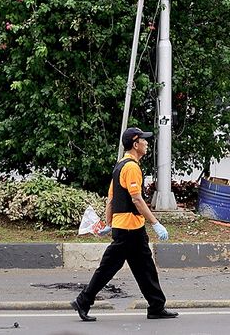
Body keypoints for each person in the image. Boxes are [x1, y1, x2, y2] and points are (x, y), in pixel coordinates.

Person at [71, 127, 178, 322]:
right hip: (129, 229)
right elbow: (136, 200)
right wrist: (156, 223)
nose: (147, 143)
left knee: (145, 268)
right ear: (135, 145)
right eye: (143, 141)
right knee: (108, 268)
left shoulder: (120, 165)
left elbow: (111, 199)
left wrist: (109, 223)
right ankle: (83, 300)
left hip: (130, 227)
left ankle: (156, 306)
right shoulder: (131, 167)